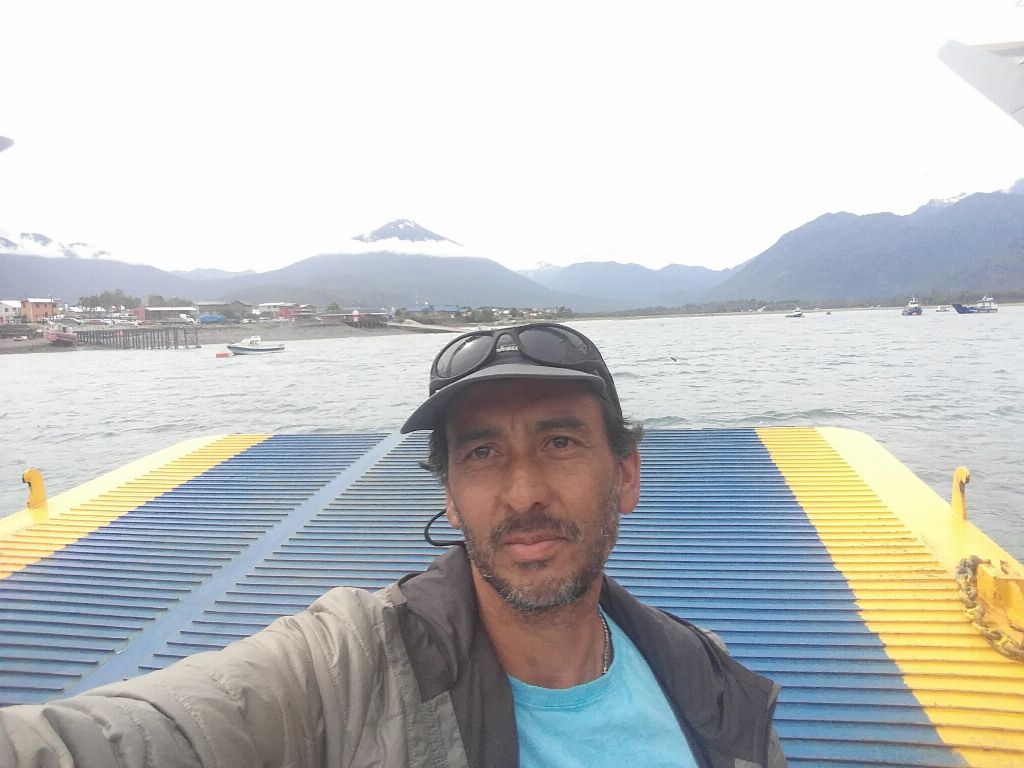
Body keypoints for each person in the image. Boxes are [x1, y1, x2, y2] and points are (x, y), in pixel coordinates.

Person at [0, 322, 786, 768]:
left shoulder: (710, 683)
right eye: (482, 452)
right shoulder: (346, 670)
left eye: (559, 442)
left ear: (626, 475)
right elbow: (127, 739)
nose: (522, 493)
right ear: (450, 497)